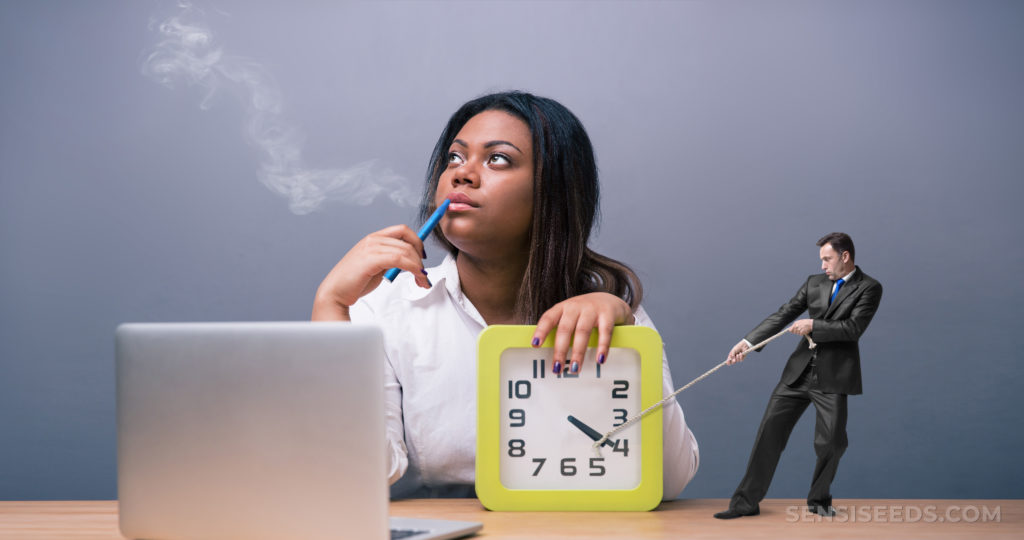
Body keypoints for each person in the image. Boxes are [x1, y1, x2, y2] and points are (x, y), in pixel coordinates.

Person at [312, 91, 698, 499]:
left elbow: (670, 480)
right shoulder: (386, 308)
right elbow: (359, 474)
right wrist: (332, 307)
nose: (462, 174)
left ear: (553, 192)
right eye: (454, 159)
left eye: (498, 159)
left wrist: (625, 333)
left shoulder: (607, 315)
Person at [713, 232, 882, 519]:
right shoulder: (814, 283)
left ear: (845, 256)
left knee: (831, 443)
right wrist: (749, 342)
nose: (823, 266)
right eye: (821, 260)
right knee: (769, 433)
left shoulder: (869, 288)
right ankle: (744, 503)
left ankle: (819, 501)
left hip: (833, 377)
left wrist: (814, 325)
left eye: (827, 259)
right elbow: (784, 314)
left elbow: (853, 329)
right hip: (798, 373)